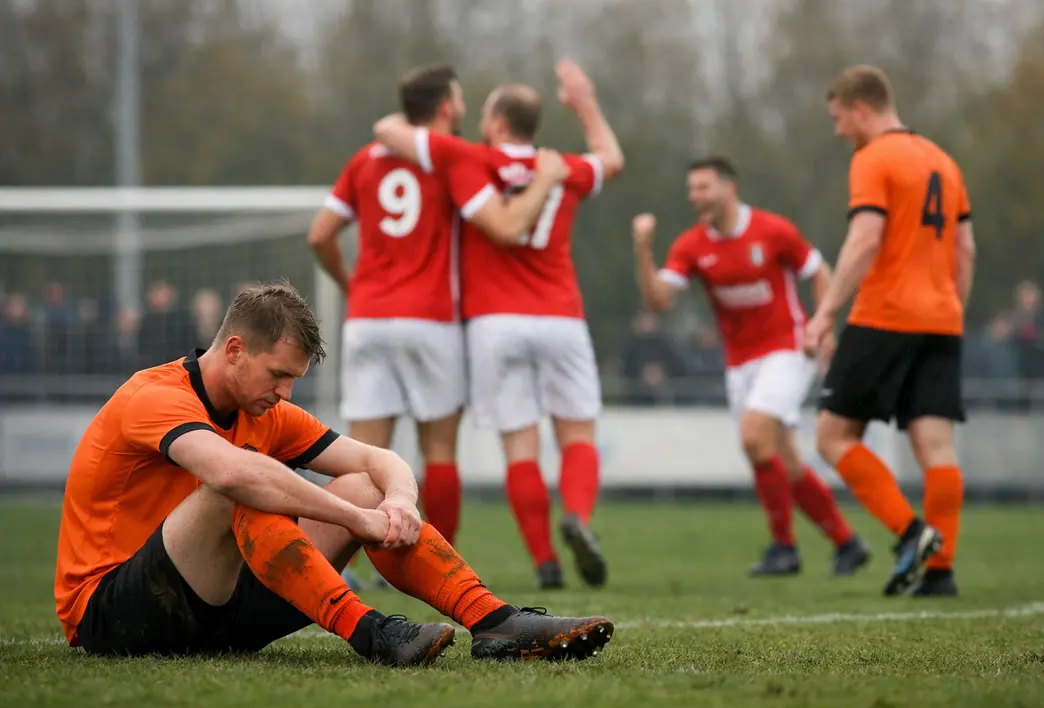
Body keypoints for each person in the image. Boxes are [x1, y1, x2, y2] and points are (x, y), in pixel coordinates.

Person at [53, 282, 615, 663]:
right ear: (233, 350)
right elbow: (231, 474)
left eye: (293, 379)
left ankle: (493, 621)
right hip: (111, 612)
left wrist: (395, 500)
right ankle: (370, 633)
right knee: (243, 484)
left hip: (215, 611)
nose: (285, 393)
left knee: (365, 487)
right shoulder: (152, 397)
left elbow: (378, 459)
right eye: (278, 374)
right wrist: (355, 521)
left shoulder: (265, 407)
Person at [373, 60, 623, 590]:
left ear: (497, 124)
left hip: (493, 323)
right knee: (577, 433)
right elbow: (611, 159)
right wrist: (584, 102)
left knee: (520, 445)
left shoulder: (470, 157)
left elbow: (389, 130)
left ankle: (544, 560)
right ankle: (577, 514)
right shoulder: (565, 168)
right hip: (560, 317)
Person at [307, 63, 570, 567]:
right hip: (431, 320)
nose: (467, 111)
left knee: (363, 456)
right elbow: (501, 224)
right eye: (461, 101)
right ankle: (435, 559)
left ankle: (343, 567)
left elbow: (320, 234)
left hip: (368, 319)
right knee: (440, 450)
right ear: (446, 107)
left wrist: (351, 283)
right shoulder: (452, 162)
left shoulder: (364, 160)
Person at [631, 156, 870, 577]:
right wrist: (643, 248)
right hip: (739, 363)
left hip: (787, 348)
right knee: (785, 460)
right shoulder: (691, 245)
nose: (696, 197)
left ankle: (784, 547)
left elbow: (817, 271)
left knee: (754, 436)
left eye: (703, 187)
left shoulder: (772, 230)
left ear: (729, 188)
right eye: (692, 189)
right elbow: (658, 301)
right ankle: (847, 543)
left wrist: (823, 324)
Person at [805, 65, 976, 597]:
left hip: (885, 314)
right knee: (937, 447)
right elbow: (966, 249)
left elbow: (865, 237)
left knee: (833, 436)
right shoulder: (943, 162)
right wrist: (952, 311)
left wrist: (826, 311)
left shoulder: (874, 157)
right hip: (942, 318)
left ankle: (910, 532)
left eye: (838, 118)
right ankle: (941, 572)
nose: (837, 131)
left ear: (861, 108)